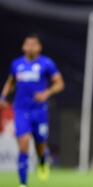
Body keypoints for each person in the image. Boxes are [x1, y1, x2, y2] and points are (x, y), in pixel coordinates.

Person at [0, 34, 64, 187]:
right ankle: (23, 183)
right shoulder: (17, 64)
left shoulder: (46, 64)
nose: (30, 47)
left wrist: (46, 93)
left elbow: (59, 84)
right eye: (27, 44)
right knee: (23, 143)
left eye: (33, 44)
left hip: (39, 111)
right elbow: (11, 82)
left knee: (40, 144)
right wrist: (3, 97)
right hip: (21, 110)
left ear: (39, 47)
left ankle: (42, 160)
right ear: (23, 47)